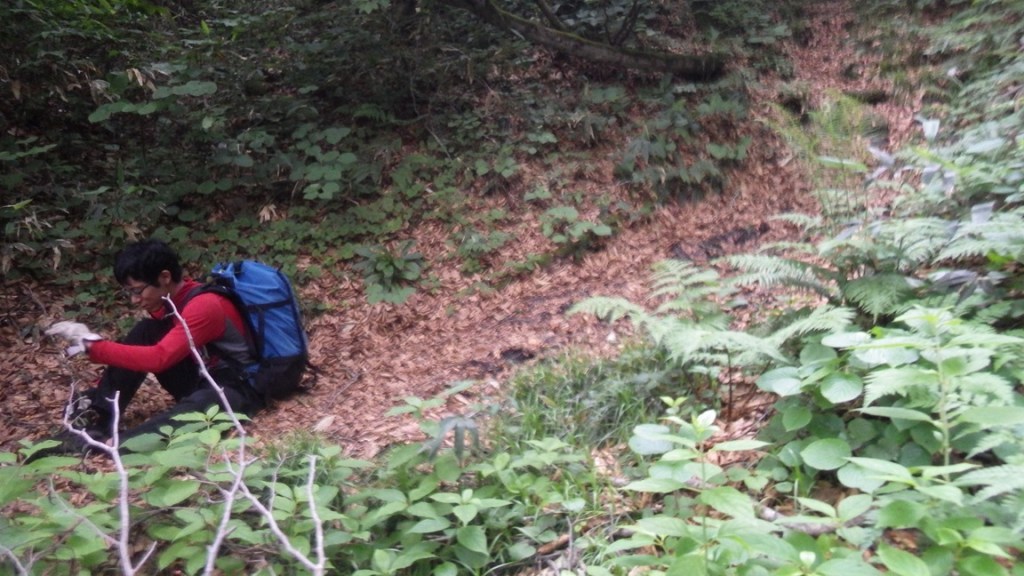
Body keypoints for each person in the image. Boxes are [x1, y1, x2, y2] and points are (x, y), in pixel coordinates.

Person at [35, 239, 265, 457]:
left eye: (137, 291)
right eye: (129, 292)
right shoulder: (170, 302)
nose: (134, 300)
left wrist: (93, 346)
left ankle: (116, 444)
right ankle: (99, 416)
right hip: (202, 374)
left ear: (165, 277)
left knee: (207, 401)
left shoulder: (205, 305)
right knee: (145, 330)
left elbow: (159, 358)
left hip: (238, 387)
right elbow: (147, 351)